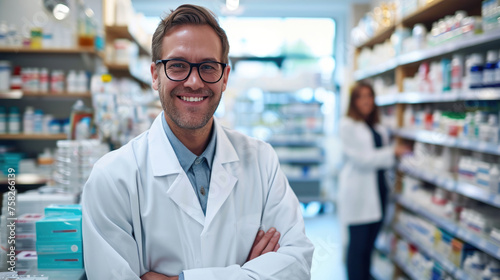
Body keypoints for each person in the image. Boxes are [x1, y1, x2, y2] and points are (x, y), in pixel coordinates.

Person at [81, 4, 314, 280]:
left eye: (207, 66)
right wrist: (248, 273)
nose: (193, 81)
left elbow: (296, 266)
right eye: (178, 66)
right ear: (155, 75)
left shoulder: (262, 160)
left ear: (224, 77)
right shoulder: (112, 177)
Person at [338, 81, 410, 280]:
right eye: (360, 96)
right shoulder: (347, 125)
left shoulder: (378, 126)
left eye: (369, 96)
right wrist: (392, 152)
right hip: (359, 194)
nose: (366, 100)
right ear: (353, 101)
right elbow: (362, 159)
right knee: (358, 248)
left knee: (370, 245)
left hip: (379, 191)